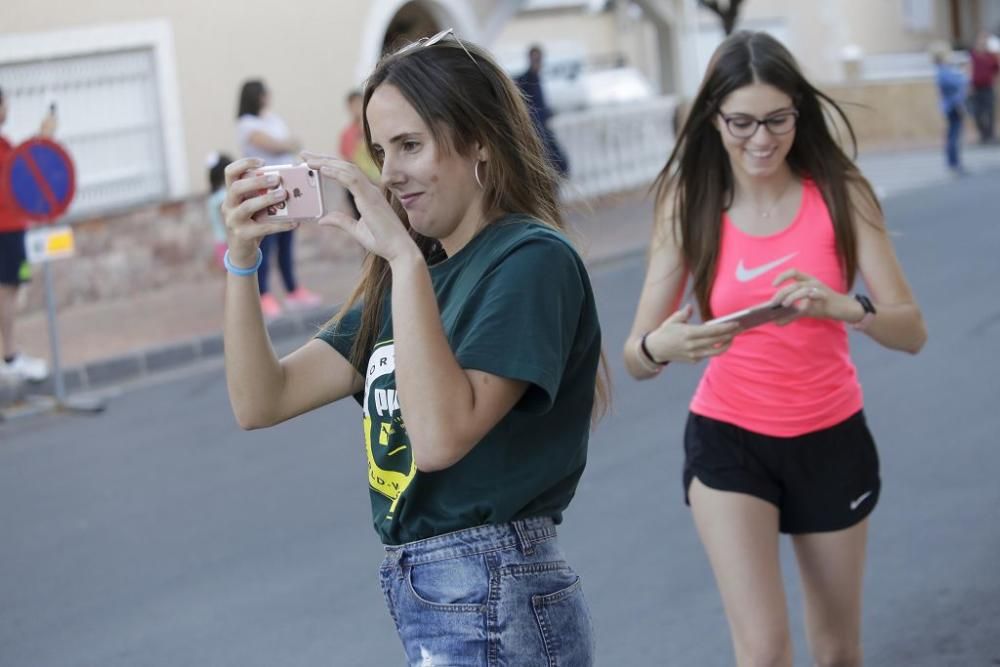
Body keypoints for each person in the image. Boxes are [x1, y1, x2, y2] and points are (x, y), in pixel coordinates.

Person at [222, 30, 606, 665]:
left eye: (409, 145)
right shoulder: (411, 274)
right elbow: (261, 400)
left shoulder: (530, 259)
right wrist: (241, 261)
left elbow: (438, 439)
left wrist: (401, 258)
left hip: (496, 583)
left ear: (479, 138)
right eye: (379, 150)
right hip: (434, 591)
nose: (390, 173)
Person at [624, 31, 926, 667]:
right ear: (713, 118)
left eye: (777, 120)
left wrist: (847, 307)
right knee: (763, 652)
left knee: (838, 651)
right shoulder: (691, 203)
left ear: (799, 113)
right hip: (728, 438)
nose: (760, 139)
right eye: (741, 122)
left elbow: (911, 330)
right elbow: (635, 355)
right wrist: (662, 344)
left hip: (830, 435)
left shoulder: (842, 194)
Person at [235, 79, 321, 317]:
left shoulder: (271, 119)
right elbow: (274, 145)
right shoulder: (246, 124)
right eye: (264, 93)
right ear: (257, 96)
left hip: (286, 187)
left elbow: (287, 144)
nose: (268, 96)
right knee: (266, 245)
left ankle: (293, 291)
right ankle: (264, 295)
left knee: (286, 243)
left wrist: (287, 144)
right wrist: (287, 143)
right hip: (265, 190)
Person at [0, 87, 56, 382]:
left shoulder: (5, 144)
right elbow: (20, 174)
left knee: (10, 289)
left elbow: (22, 166)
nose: (7, 109)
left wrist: (41, 140)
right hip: (5, 230)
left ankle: (10, 354)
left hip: (12, 229)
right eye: (4, 104)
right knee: (6, 290)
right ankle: (9, 357)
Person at [516, 45, 569, 177]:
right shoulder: (524, 79)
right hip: (536, 131)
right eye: (535, 59)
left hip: (543, 128)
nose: (537, 63)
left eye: (539, 59)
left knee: (558, 164)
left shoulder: (535, 78)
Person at [338, 89, 380, 217]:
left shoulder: (375, 126)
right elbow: (346, 157)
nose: (355, 108)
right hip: (360, 180)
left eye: (358, 104)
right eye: (352, 105)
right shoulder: (347, 133)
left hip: (378, 180)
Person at [931, 42, 969, 174]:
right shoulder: (944, 71)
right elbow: (958, 83)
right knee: (954, 135)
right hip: (953, 105)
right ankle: (954, 163)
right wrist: (963, 75)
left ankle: (954, 162)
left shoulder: (943, 70)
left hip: (950, 105)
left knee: (952, 134)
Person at [968, 31, 999, 144]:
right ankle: (983, 134)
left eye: (984, 39)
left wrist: (995, 82)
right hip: (976, 87)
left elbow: (996, 70)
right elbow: (969, 69)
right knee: (977, 112)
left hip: (988, 86)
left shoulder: (991, 56)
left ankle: (990, 134)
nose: (982, 42)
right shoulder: (972, 55)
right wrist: (969, 85)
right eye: (981, 39)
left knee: (990, 110)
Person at [205, 152, 232, 270]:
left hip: (219, 242)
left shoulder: (213, 197)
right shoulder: (222, 197)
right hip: (227, 242)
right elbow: (227, 221)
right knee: (235, 279)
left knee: (229, 278)